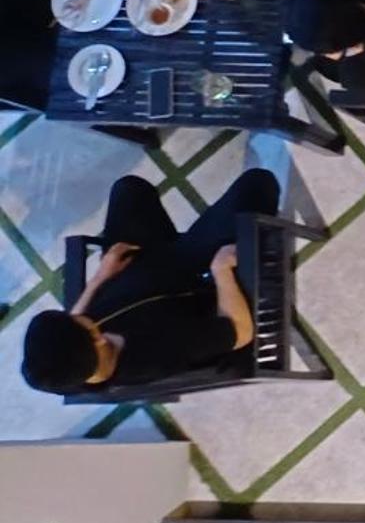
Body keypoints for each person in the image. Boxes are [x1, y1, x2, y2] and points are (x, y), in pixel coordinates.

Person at [19, 169, 281, 394]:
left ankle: (186, 241)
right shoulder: (156, 354)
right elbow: (241, 333)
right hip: (192, 288)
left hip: (146, 272)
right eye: (79, 321)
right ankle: (208, 245)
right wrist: (221, 270)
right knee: (258, 184)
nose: (77, 314)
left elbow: (75, 320)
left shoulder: (71, 363)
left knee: (129, 189)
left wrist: (100, 278)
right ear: (97, 340)